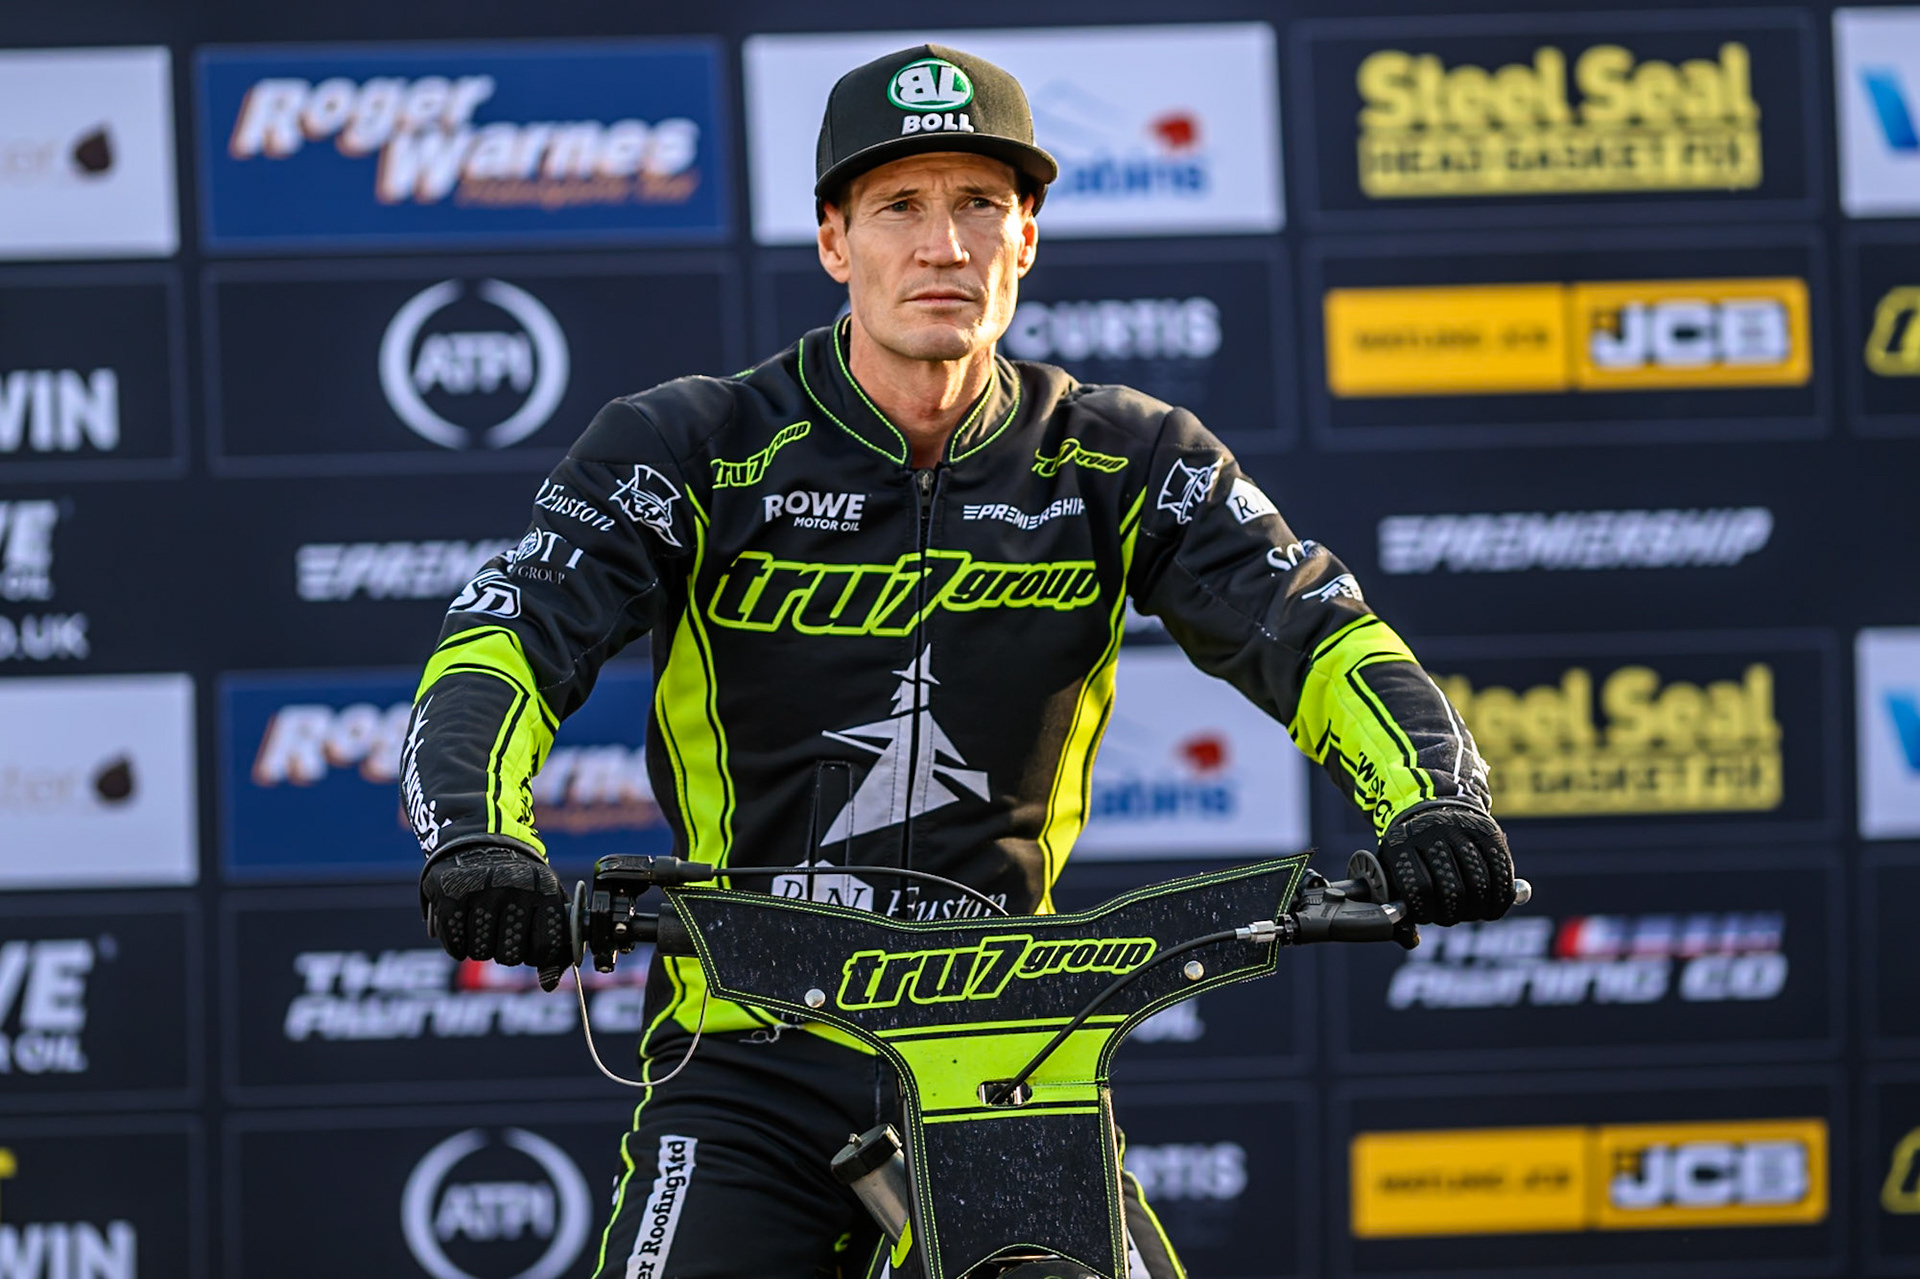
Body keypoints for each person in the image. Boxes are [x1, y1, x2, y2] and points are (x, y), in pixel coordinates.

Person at [402, 43, 1517, 1279]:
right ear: (835, 241)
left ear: (1025, 237)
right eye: (900, 206)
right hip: (748, 1049)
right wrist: (477, 832)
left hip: (1010, 1057)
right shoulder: (691, 443)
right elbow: (507, 638)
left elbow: (1315, 631)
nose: (944, 246)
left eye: (980, 203)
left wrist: (1432, 799)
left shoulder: (1123, 455)